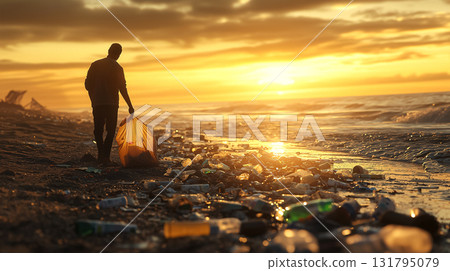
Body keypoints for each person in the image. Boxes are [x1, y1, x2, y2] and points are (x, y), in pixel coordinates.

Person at [85, 43, 134, 164]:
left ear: (108, 50)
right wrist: (130, 105)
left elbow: (87, 85)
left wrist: (93, 95)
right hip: (112, 103)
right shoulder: (117, 68)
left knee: (98, 130)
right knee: (111, 130)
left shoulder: (95, 65)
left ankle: (100, 156)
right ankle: (105, 157)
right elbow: (122, 88)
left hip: (97, 102)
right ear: (119, 54)